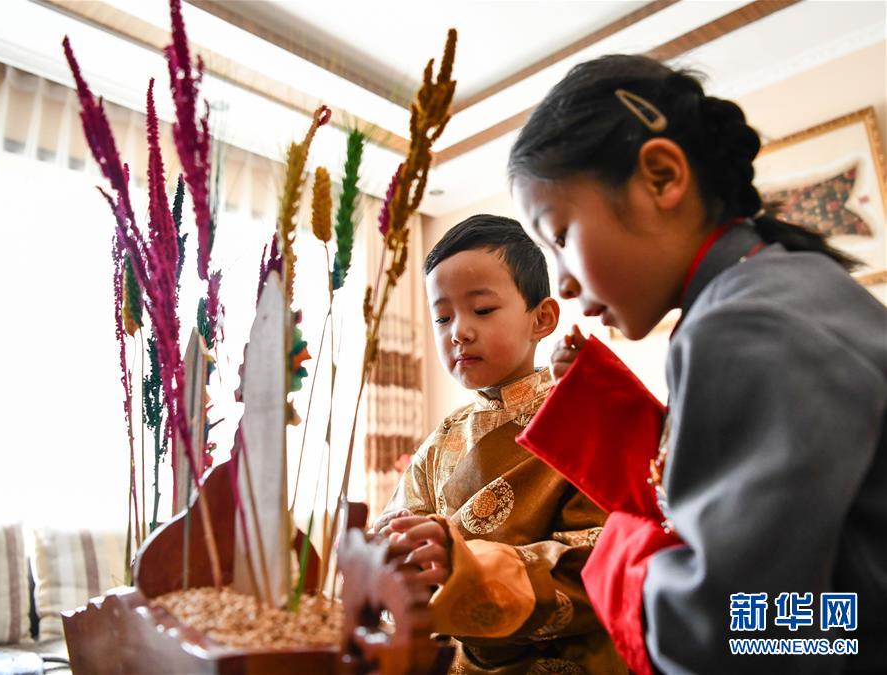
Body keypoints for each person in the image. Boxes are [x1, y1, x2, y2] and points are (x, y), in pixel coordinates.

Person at [507, 54, 887, 674]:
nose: (564, 283)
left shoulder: (744, 324)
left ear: (662, 178)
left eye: (561, 236)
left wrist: (621, 561)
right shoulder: (779, 285)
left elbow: (747, 630)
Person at [374, 214, 626, 674]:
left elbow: (603, 558)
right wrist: (394, 554)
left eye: (483, 310)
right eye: (442, 317)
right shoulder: (443, 438)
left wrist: (467, 570)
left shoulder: (582, 419)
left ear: (541, 319)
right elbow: (399, 526)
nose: (459, 331)